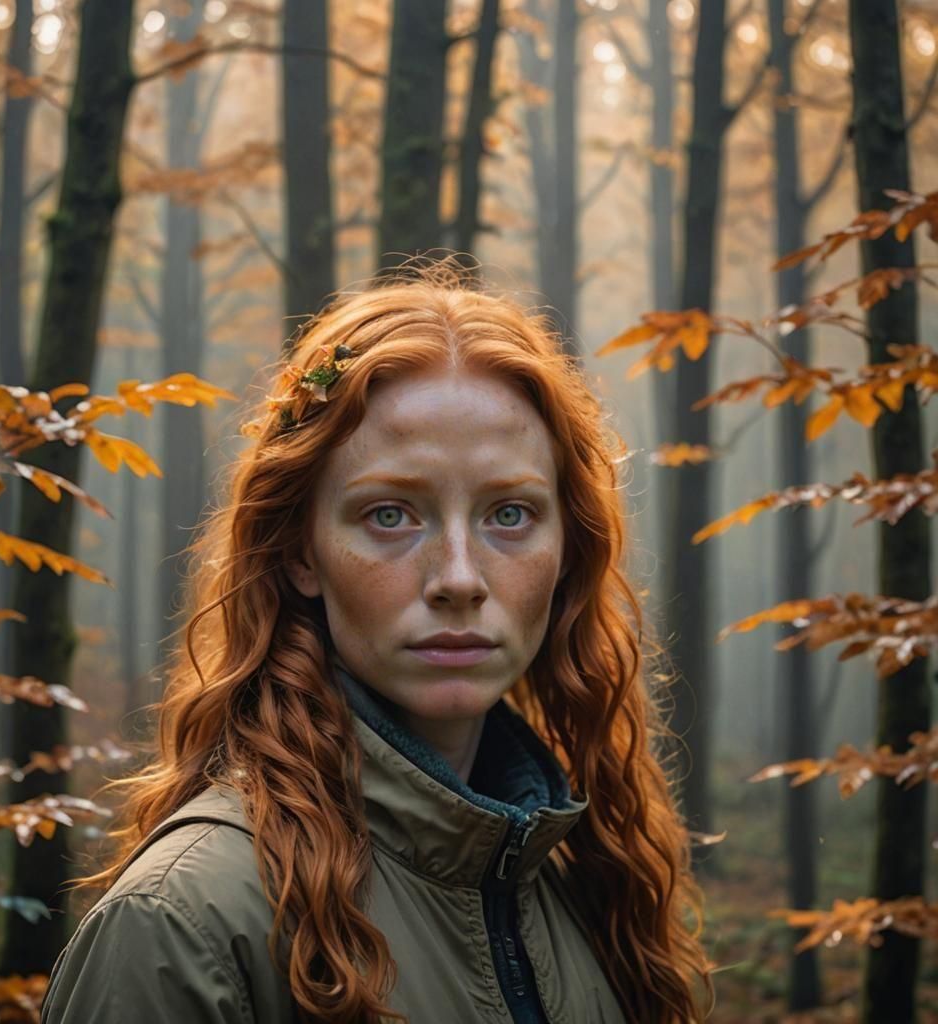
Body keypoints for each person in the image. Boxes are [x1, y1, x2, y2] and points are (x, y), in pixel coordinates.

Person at [41, 263, 711, 1023]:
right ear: (300, 552)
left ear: (569, 553)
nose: (458, 578)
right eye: (391, 515)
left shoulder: (586, 879)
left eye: (510, 514)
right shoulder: (184, 925)